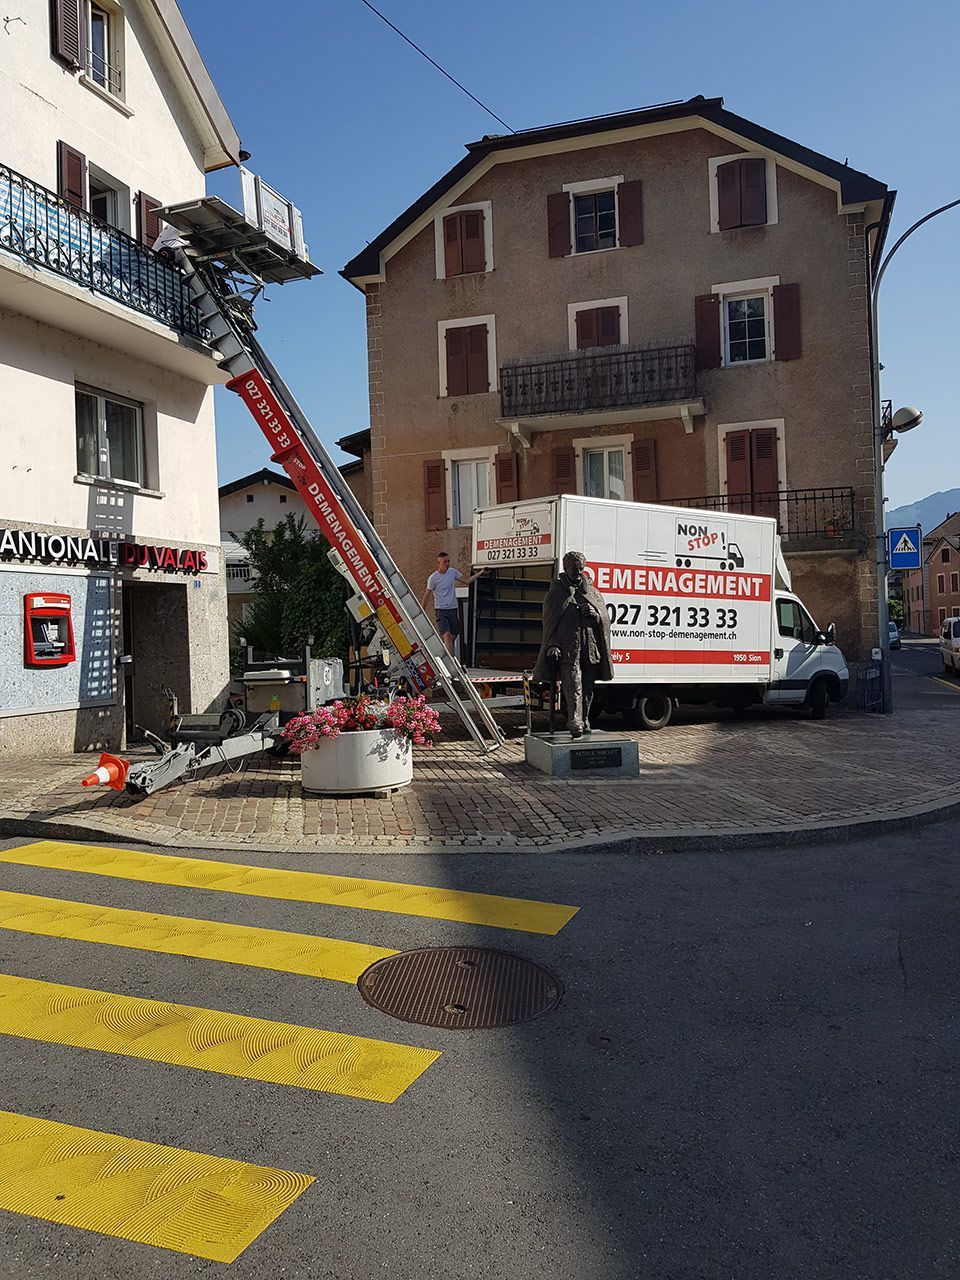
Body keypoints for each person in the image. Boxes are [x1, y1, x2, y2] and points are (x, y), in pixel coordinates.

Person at [532, 550, 614, 737]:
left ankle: (584, 718)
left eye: (581, 569)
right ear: (566, 568)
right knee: (573, 684)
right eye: (575, 569)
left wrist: (595, 615)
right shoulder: (555, 594)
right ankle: (574, 720)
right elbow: (549, 625)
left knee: (587, 689)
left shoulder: (592, 592)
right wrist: (552, 644)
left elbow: (605, 618)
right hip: (568, 648)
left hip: (590, 648)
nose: (579, 573)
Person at [421, 551, 485, 655]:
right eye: (444, 561)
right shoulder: (433, 578)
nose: (447, 563)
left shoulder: (452, 572)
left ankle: (446, 651)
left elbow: (467, 581)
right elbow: (427, 594)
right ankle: (451, 660)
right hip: (441, 609)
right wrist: (422, 610)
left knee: (454, 635)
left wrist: (481, 572)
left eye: (448, 561)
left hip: (452, 608)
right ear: (439, 563)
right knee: (447, 634)